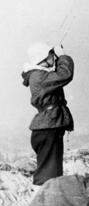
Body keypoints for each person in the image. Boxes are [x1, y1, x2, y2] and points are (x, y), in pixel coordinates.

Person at [22, 43, 74, 185]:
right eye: (51, 54)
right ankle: (45, 203)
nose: (54, 57)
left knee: (52, 175)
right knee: (49, 178)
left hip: (48, 126)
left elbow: (57, 74)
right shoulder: (39, 76)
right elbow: (65, 74)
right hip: (48, 128)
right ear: (43, 58)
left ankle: (48, 202)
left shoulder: (39, 75)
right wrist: (63, 56)